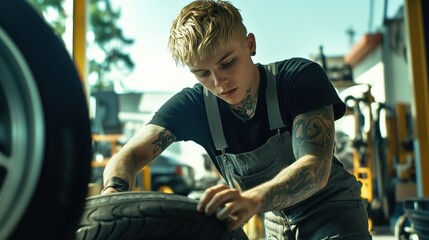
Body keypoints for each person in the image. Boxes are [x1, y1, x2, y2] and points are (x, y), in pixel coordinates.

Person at [101, 0, 371, 239]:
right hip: (277, 225)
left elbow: (316, 169)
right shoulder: (194, 107)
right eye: (202, 73)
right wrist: (113, 190)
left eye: (227, 63)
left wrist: (251, 200)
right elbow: (131, 153)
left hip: (334, 213)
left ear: (250, 44)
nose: (219, 82)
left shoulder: (298, 78)